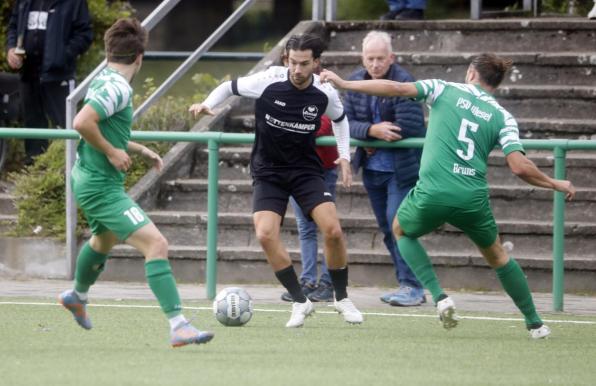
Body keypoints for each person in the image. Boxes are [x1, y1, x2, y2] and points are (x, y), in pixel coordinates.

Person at [321, 53, 576, 339]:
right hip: (472, 198)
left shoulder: (444, 88)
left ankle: (439, 296)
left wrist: (345, 83)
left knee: (400, 230)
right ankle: (535, 324)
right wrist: (554, 182)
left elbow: (396, 88)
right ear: (497, 83)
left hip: (433, 190)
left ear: (470, 73)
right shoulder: (503, 117)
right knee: (498, 257)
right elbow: (518, 166)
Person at [58, 18, 214, 348]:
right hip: (101, 186)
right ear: (140, 57)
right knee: (156, 245)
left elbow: (101, 126)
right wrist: (113, 152)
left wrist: (137, 148)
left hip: (86, 177)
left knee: (103, 240)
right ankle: (179, 325)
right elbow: (82, 122)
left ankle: (77, 295)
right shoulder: (118, 87)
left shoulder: (104, 79)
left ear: (108, 53)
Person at [189, 33, 363, 328]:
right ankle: (299, 300)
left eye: (304, 64)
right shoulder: (269, 80)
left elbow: (340, 119)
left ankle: (342, 297)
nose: (297, 69)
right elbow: (228, 86)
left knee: (332, 230)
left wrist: (344, 156)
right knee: (265, 234)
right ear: (286, 60)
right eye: (292, 62)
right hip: (269, 171)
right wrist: (207, 103)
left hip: (306, 171)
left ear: (316, 63)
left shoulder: (324, 91)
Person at [343, 31, 426, 307]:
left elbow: (411, 126)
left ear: (391, 57)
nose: (375, 64)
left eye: (381, 58)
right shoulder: (355, 81)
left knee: (397, 225)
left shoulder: (404, 82)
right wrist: (371, 131)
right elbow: (344, 122)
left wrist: (372, 134)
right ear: (362, 58)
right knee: (385, 226)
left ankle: (413, 285)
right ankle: (406, 282)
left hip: (401, 169)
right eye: (370, 58)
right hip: (372, 170)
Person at [6, 0, 93, 164]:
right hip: (28, 74)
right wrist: (11, 48)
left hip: (59, 76)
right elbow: (13, 26)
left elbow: (84, 35)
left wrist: (62, 56)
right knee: (32, 125)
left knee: (65, 125)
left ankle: (69, 171)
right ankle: (34, 171)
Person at [280, 113, 338, 303]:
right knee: (305, 229)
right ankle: (308, 282)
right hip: (297, 170)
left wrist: (294, 127)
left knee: (328, 229)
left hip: (323, 171)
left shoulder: (326, 95)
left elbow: (323, 126)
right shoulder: (287, 98)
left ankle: (328, 283)